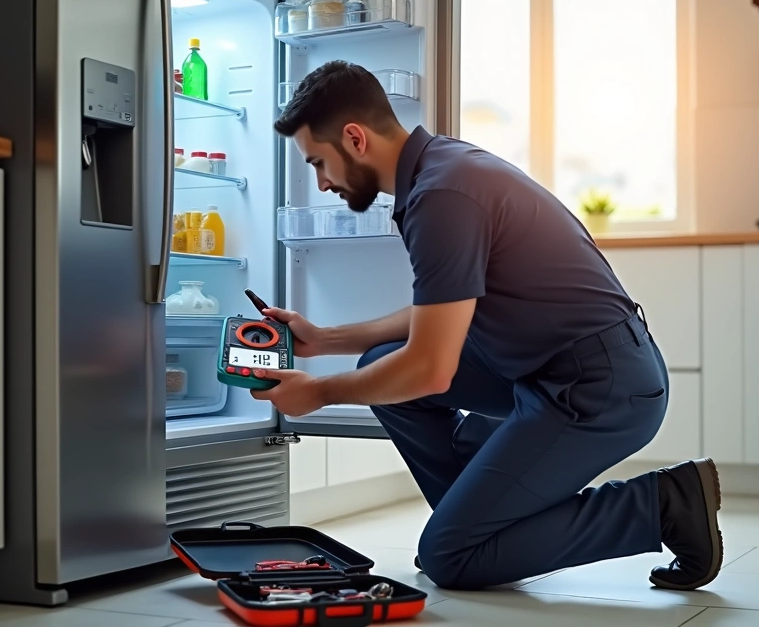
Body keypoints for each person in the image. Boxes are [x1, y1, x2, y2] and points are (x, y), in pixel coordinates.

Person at [250, 60, 722, 592]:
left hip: (601, 386)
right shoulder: (441, 168)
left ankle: (662, 505)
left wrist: (318, 393)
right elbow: (441, 312)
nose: (321, 182)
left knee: (450, 558)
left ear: (355, 139)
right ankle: (476, 519)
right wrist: (325, 340)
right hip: (550, 371)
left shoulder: (441, 194)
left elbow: (429, 368)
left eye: (319, 162)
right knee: (381, 363)